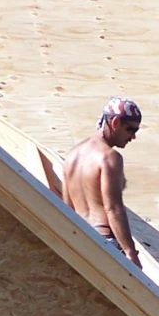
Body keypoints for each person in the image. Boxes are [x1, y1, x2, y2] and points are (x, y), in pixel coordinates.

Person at [62, 97, 144, 269]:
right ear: (114, 122)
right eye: (130, 129)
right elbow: (113, 208)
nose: (133, 136)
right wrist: (130, 252)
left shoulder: (72, 155)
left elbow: (67, 207)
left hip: (79, 238)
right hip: (104, 240)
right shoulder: (109, 157)